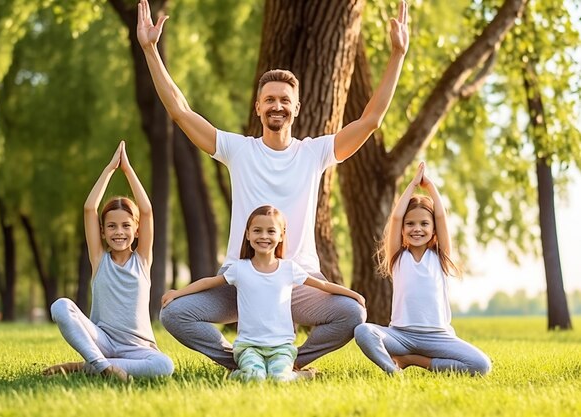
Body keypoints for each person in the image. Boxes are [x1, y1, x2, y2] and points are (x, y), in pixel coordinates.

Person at [137, 0, 409, 371]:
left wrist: (396, 54)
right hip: (240, 282)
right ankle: (239, 360)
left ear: (296, 108)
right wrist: (151, 50)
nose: (277, 106)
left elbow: (371, 120)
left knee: (350, 313)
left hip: (299, 284)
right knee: (175, 315)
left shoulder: (315, 153)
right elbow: (180, 111)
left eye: (284, 100)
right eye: (270, 100)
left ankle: (291, 363)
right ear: (258, 107)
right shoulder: (239, 150)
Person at [161, 205, 366, 382]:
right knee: (254, 378)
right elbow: (208, 282)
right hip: (249, 347)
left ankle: (300, 375)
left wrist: (353, 294)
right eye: (257, 231)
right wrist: (177, 293)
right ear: (248, 234)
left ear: (281, 235)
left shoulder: (289, 269)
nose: (264, 236)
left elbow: (322, 285)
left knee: (279, 379)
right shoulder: (239, 269)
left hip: (281, 348)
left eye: (271, 231)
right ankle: (242, 372)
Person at [43, 141, 174, 381]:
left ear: (137, 231)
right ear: (102, 232)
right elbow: (89, 208)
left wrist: (127, 170)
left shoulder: (143, 261)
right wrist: (110, 169)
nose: (119, 232)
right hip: (102, 340)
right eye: (111, 226)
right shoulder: (99, 260)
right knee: (60, 306)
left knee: (165, 365)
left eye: (126, 226)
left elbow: (147, 212)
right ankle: (103, 366)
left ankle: (85, 366)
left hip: (138, 350)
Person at [354, 162, 492, 376]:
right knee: (363, 331)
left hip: (438, 337)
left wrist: (430, 187)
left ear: (433, 229)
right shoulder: (398, 258)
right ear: (402, 230)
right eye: (410, 224)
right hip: (400, 336)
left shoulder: (441, 257)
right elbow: (396, 217)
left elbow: (441, 216)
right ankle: (393, 371)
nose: (417, 229)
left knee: (481, 366)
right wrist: (412, 184)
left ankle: (415, 360)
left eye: (424, 224)